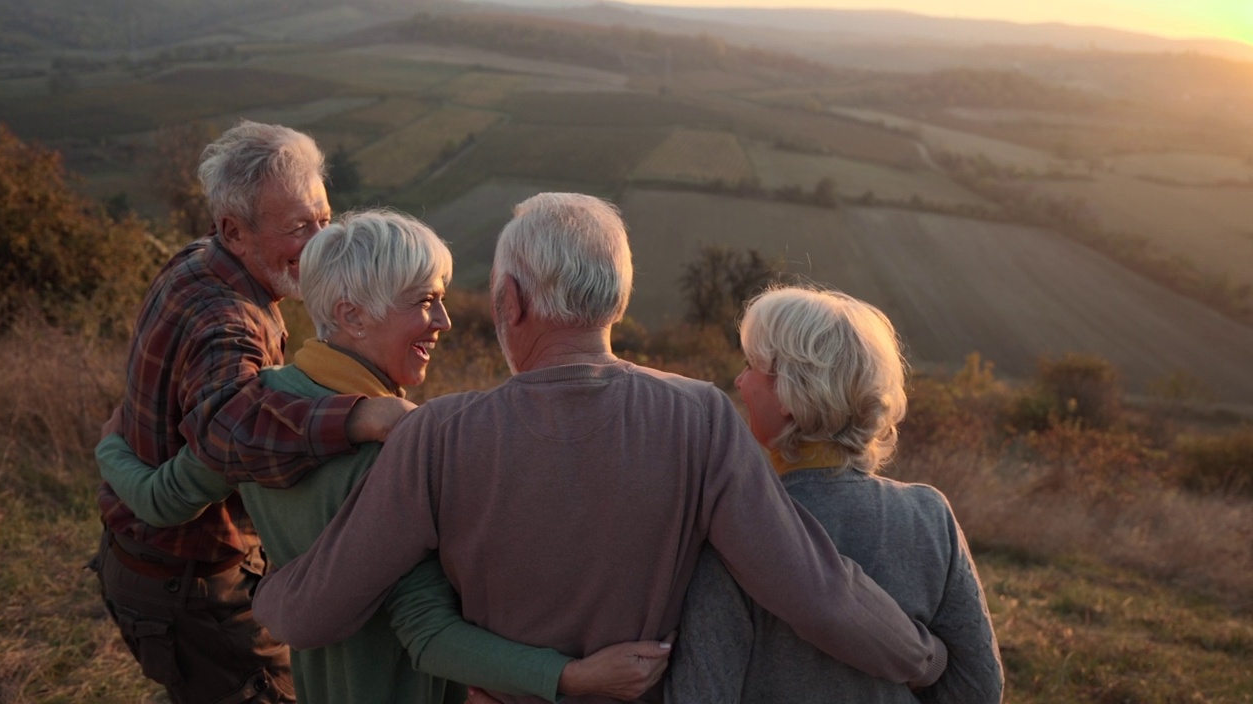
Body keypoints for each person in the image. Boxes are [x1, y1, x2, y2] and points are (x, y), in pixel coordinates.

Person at [250, 192, 949, 704]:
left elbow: (313, 612)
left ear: (511, 304)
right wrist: (923, 658)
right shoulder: (700, 417)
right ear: (616, 300)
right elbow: (814, 590)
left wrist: (266, 585)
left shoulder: (439, 435)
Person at [95, 210, 670, 704]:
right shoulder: (392, 456)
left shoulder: (258, 413)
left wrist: (110, 445)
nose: (443, 322)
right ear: (352, 315)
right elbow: (426, 633)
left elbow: (161, 499)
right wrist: (571, 677)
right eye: (425, 302)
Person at [92, 121, 407, 703]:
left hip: (146, 564)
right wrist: (360, 417)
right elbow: (230, 431)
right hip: (190, 587)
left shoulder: (198, 260)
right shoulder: (229, 323)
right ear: (234, 230)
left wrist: (110, 449)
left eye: (324, 217)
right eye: (298, 228)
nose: (320, 241)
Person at [667, 286, 1004, 704]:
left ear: (791, 393)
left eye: (751, 365)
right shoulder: (929, 515)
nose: (739, 381)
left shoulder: (736, 527)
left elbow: (702, 693)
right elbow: (979, 689)